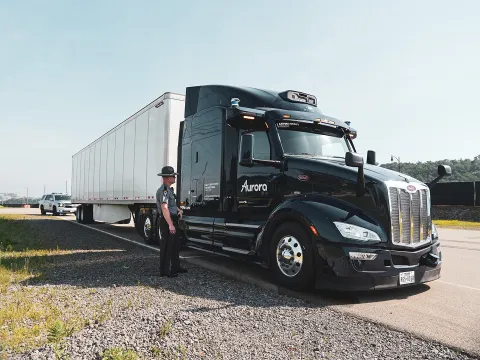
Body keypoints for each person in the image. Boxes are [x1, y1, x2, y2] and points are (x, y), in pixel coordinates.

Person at [156, 166, 187, 277]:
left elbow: (170, 205)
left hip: (172, 219)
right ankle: (164, 271)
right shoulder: (164, 191)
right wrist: (170, 225)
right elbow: (164, 208)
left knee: (175, 245)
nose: (175, 177)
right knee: (167, 247)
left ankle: (175, 267)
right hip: (167, 221)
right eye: (173, 176)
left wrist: (178, 210)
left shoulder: (169, 190)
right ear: (167, 177)